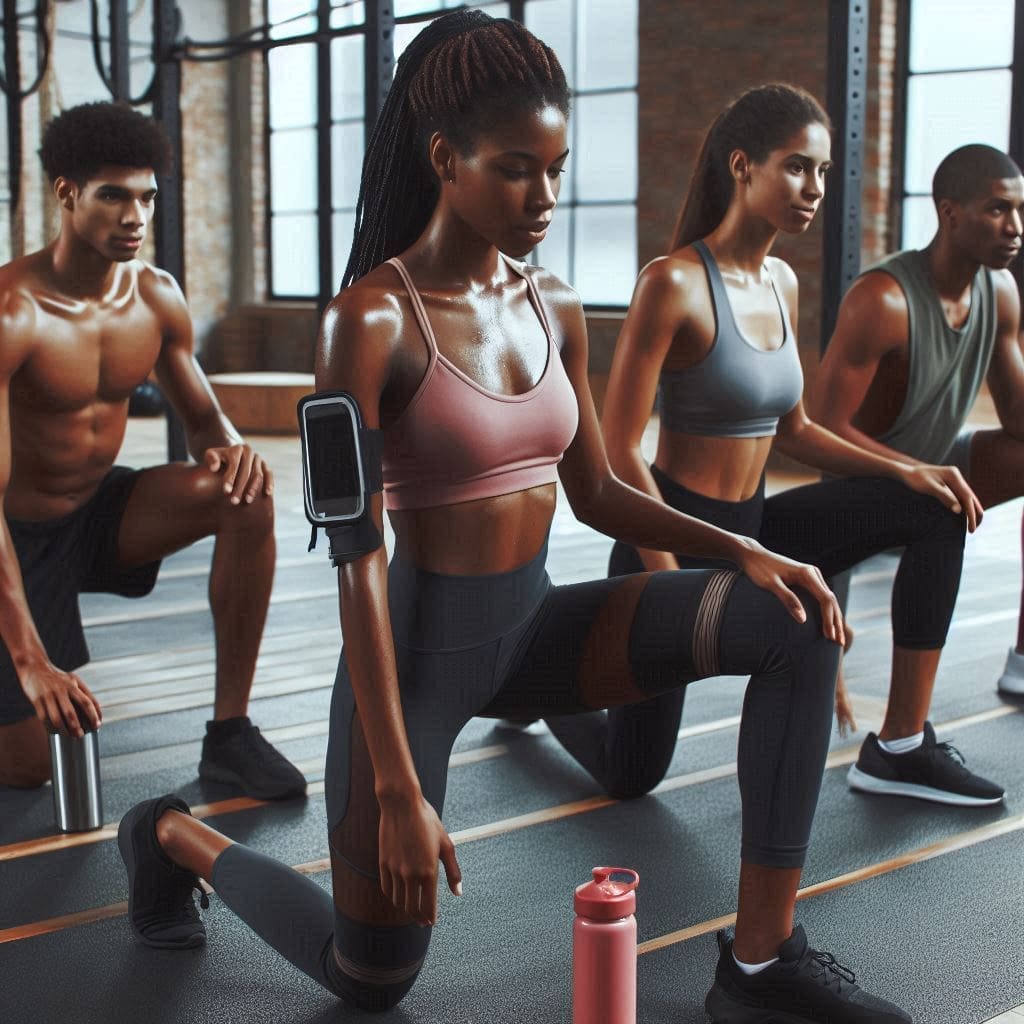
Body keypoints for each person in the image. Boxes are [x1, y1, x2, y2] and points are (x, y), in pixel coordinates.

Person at [116, 14, 910, 1024]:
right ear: (446, 158)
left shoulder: (558, 304)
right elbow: (356, 562)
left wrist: (748, 548)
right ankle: (171, 838)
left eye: (557, 168)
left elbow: (600, 491)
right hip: (414, 667)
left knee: (795, 623)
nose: (543, 197)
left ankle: (760, 965)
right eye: (515, 169)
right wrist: (399, 790)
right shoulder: (365, 322)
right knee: (372, 977)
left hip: (536, 631)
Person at [575, 83, 1002, 812]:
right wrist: (670, 578)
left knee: (932, 507)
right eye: (798, 168)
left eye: (825, 173)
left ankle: (901, 745)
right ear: (743, 167)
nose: (815, 189)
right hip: (674, 539)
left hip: (758, 528)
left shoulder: (782, 280)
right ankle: (539, 696)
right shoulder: (671, 283)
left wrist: (916, 469)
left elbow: (798, 431)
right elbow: (618, 454)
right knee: (630, 776)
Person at [0, 102, 305, 801]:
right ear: (67, 194)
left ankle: (231, 735)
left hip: (96, 513)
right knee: (29, 767)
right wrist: (29, 659)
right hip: (14, 536)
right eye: (113, 195)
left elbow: (204, 419)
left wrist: (231, 448)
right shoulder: (13, 313)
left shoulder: (156, 298)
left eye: (146, 197)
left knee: (245, 493)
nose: (135, 216)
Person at [812, 144, 1024, 713]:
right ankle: (904, 740)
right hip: (863, 480)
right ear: (950, 212)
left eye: (1021, 211)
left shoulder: (1000, 293)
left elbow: (1019, 424)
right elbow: (821, 433)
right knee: (942, 506)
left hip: (934, 466)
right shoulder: (882, 300)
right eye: (999, 210)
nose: (1016, 228)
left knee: (949, 493)